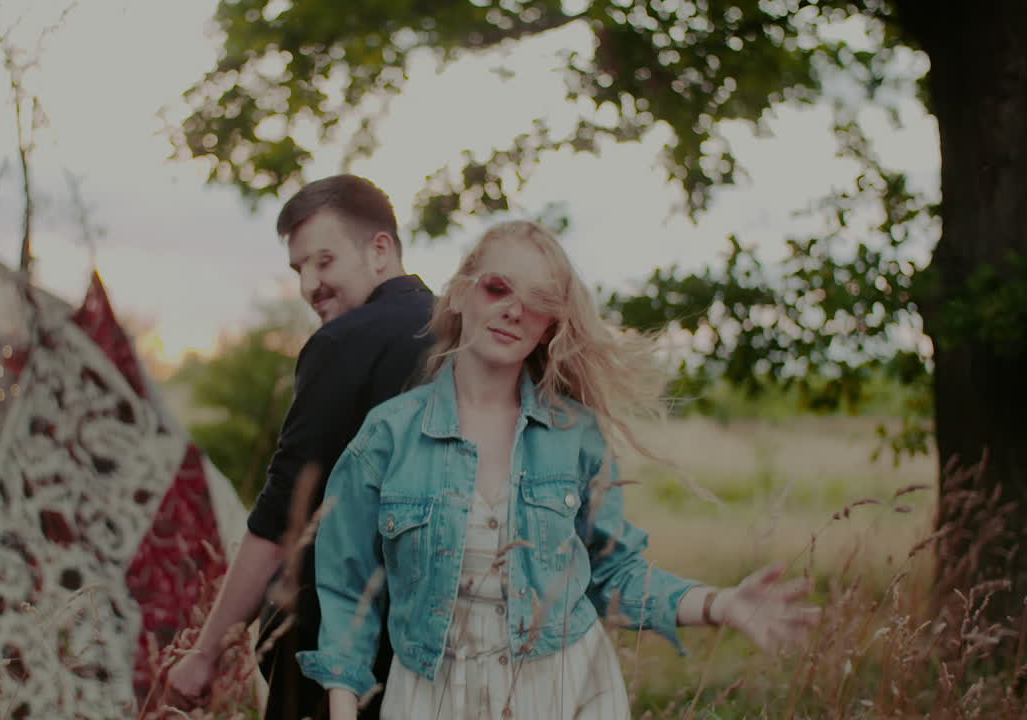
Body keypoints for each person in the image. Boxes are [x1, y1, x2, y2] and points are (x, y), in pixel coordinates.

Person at [297, 220, 819, 719]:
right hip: (430, 699)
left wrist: (719, 604)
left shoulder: (575, 437)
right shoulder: (387, 436)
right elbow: (346, 594)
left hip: (566, 692)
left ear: (550, 327)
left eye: (539, 302)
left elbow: (616, 574)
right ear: (459, 294)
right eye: (498, 288)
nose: (513, 311)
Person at [165, 174, 435, 720]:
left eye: (325, 261)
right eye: (299, 269)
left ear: (380, 250)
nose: (310, 285)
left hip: (331, 662)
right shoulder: (465, 335)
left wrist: (204, 653)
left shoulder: (342, 343)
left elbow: (282, 514)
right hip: (440, 655)